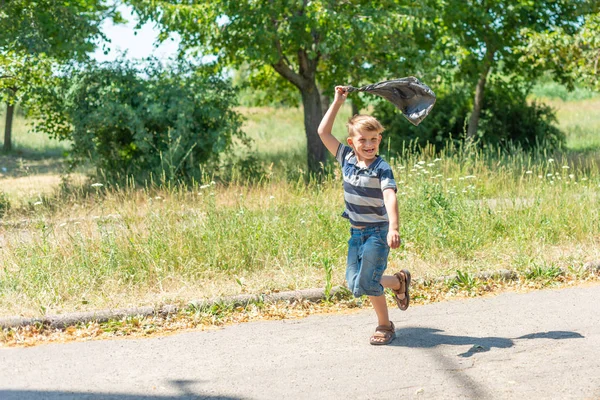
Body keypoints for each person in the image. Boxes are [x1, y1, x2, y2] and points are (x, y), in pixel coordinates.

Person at [317, 85, 411, 345]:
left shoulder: (382, 168)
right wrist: (337, 101)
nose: (369, 145)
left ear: (379, 139)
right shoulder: (346, 157)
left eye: (374, 139)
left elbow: (390, 195)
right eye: (363, 140)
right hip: (355, 232)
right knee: (354, 284)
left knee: (367, 283)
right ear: (351, 143)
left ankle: (385, 325)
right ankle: (398, 282)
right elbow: (322, 132)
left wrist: (394, 227)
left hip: (378, 233)